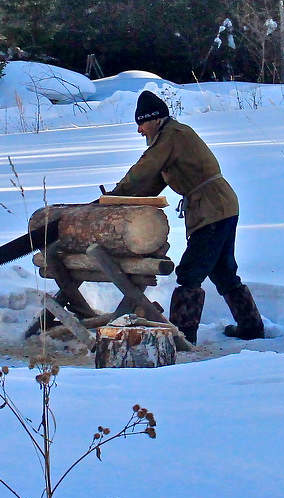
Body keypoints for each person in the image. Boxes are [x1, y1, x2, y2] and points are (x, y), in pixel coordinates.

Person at [106, 91, 264, 344]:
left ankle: (181, 337)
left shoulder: (171, 136)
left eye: (141, 123)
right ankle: (251, 326)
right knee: (223, 272)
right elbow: (152, 181)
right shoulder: (172, 137)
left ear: (155, 119)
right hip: (219, 206)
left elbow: (145, 168)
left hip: (212, 208)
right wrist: (122, 199)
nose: (139, 130)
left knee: (190, 273)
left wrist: (117, 194)